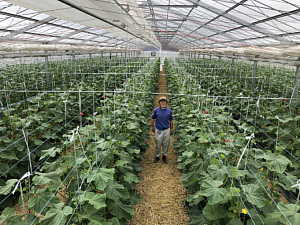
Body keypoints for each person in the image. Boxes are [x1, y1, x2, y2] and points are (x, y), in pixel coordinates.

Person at [151, 96, 173, 163]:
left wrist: (171, 128)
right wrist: (152, 127)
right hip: (158, 129)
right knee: (158, 143)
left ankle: (164, 156)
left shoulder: (169, 111)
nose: (163, 103)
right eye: (161, 101)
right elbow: (153, 119)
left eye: (164, 101)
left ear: (166, 103)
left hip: (166, 129)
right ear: (159, 103)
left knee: (166, 143)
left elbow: (171, 120)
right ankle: (157, 156)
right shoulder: (156, 110)